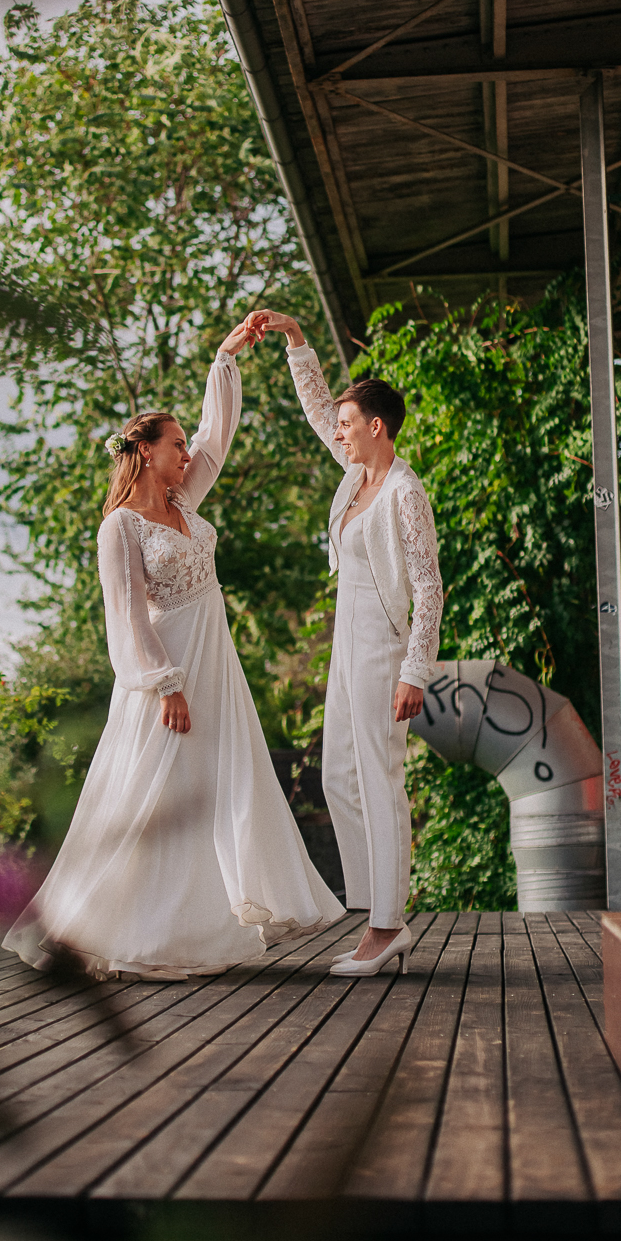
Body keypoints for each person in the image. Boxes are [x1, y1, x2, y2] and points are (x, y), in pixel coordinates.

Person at [3, 320, 344, 980]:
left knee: (223, 785)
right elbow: (125, 618)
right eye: (176, 444)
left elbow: (218, 437)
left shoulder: (185, 501)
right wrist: (165, 684)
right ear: (145, 451)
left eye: (186, 445)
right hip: (169, 676)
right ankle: (103, 927)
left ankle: (203, 922)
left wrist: (225, 359)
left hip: (216, 667)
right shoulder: (119, 527)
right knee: (152, 796)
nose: (187, 453)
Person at [247, 309, 443, 978]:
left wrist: (415, 671)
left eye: (348, 424)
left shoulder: (402, 493)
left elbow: (429, 588)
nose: (339, 430)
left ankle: (388, 927)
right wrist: (297, 341)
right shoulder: (354, 477)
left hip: (383, 649)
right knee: (337, 775)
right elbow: (315, 412)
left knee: (379, 780)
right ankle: (372, 912)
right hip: (345, 646)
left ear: (376, 428)